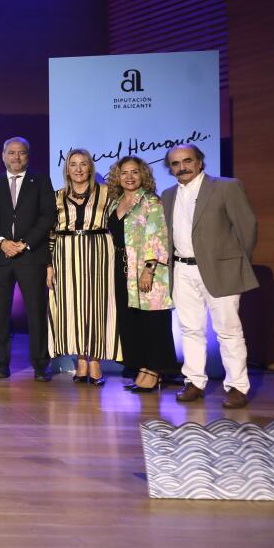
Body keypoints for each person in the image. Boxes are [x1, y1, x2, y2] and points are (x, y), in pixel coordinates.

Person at [162, 144, 258, 408]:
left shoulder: (226, 187)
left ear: (200, 162)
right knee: (190, 329)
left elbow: (247, 227)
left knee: (228, 330)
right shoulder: (168, 194)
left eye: (188, 161)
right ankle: (194, 382)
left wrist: (236, 262)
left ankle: (237, 386)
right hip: (182, 269)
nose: (182, 167)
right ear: (170, 169)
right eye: (176, 163)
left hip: (220, 269)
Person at [46, 148, 120, 385]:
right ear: (67, 169)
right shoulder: (56, 196)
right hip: (65, 253)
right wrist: (48, 264)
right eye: (73, 164)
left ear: (90, 167)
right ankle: (80, 361)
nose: (78, 169)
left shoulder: (108, 193)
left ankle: (96, 362)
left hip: (99, 251)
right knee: (72, 307)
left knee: (96, 305)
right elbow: (49, 232)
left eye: (83, 164)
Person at [0, 137, 56, 382]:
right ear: (3, 155)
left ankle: (40, 365)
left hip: (31, 256)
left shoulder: (41, 181)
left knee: (36, 313)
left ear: (28, 156)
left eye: (21, 153)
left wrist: (25, 243)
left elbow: (48, 217)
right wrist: (1, 242)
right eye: (12, 153)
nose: (16, 157)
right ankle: (1, 365)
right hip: (0, 258)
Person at [105, 156, 178, 392]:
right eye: (124, 172)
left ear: (142, 174)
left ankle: (154, 370)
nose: (129, 177)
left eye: (134, 172)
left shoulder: (151, 202)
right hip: (121, 271)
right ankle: (142, 367)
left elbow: (157, 237)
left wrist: (149, 269)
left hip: (147, 272)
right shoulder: (115, 203)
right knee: (132, 322)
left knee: (152, 322)